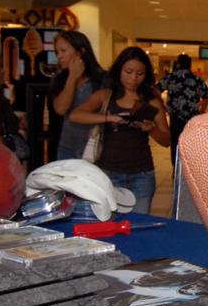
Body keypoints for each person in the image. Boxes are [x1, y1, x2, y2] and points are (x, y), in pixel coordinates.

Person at [69, 46, 170, 214]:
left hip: (142, 173)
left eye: (140, 74)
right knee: (109, 221)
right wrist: (109, 118)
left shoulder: (151, 101)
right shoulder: (106, 95)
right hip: (109, 171)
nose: (133, 79)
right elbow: (76, 115)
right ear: (119, 70)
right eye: (128, 72)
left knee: (138, 223)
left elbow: (166, 140)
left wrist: (150, 129)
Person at [49, 30, 105, 161]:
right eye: (57, 52)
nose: (59, 56)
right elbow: (60, 109)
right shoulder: (59, 80)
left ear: (80, 52)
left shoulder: (102, 79)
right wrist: (72, 78)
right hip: (66, 147)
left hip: (95, 147)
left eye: (63, 51)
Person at [158, 53, 208, 167]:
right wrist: (202, 111)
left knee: (175, 142)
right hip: (192, 118)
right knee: (190, 143)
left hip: (175, 116)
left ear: (178, 64)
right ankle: (188, 169)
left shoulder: (171, 77)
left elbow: (155, 91)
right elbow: (206, 96)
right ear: (190, 65)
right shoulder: (196, 79)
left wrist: (163, 106)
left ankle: (176, 169)